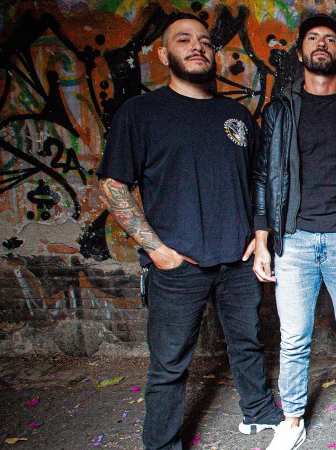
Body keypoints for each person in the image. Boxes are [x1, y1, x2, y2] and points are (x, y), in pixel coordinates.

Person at [96, 13, 284, 450]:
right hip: (177, 264)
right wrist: (157, 250)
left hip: (237, 261)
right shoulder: (140, 113)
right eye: (184, 40)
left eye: (204, 40)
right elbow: (112, 184)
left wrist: (258, 238)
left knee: (247, 343)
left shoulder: (236, 114)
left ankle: (258, 412)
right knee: (169, 364)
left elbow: (261, 181)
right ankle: (162, 443)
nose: (197, 46)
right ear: (164, 55)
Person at [251, 13, 336, 450]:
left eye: (330, 39)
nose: (321, 45)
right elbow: (263, 177)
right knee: (293, 339)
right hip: (292, 240)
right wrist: (262, 242)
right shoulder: (278, 110)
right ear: (300, 52)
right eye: (313, 38)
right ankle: (292, 420)